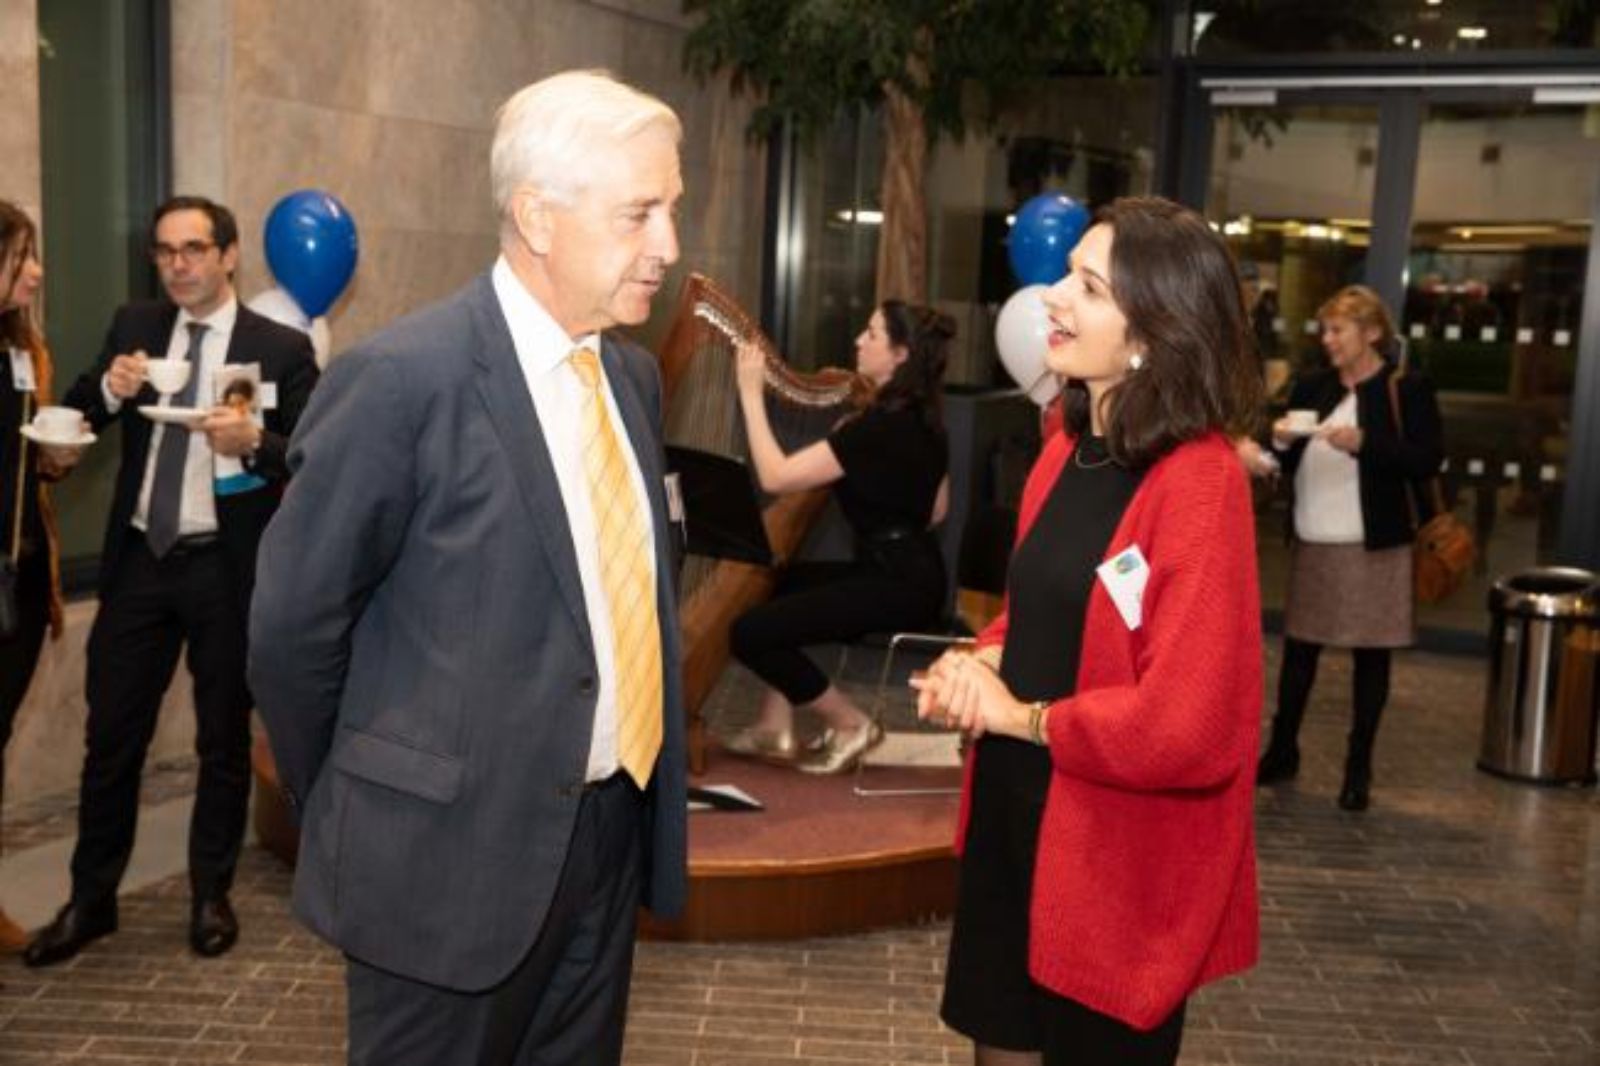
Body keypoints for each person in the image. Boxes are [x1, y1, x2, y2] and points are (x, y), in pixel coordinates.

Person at [248, 70, 688, 1066]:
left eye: (671, 208)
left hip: (605, 843)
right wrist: (367, 802)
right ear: (537, 216)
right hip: (437, 868)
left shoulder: (630, 376)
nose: (667, 244)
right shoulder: (401, 381)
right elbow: (290, 633)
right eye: (639, 213)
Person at [913, 197, 1263, 1065]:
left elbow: (1188, 726)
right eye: (1068, 273)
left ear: (1154, 330)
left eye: (1090, 286)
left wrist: (1019, 717)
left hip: (1113, 856)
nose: (1054, 298)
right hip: (1011, 817)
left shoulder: (1200, 483)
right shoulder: (1064, 448)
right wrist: (977, 662)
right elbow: (1037, 615)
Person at [23, 195, 318, 967]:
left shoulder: (279, 347)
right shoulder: (137, 326)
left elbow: (314, 455)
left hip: (226, 567)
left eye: (193, 249)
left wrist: (255, 441)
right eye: (164, 251)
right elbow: (77, 418)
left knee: (222, 738)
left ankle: (210, 895)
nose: (177, 265)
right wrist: (111, 390)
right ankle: (91, 901)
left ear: (229, 255)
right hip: (140, 563)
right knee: (111, 738)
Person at [723, 301, 953, 774]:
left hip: (894, 583)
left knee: (748, 633)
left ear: (900, 355)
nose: (858, 342)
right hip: (914, 571)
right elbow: (937, 511)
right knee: (778, 585)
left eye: (872, 334)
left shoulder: (873, 428)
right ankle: (773, 725)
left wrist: (750, 393)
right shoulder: (925, 419)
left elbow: (775, 476)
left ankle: (851, 724)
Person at [1257, 284, 1443, 811]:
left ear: (1373, 333)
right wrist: (1279, 441)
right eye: (1325, 330)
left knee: (1371, 659)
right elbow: (1283, 460)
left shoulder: (1406, 389)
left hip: (1375, 546)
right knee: (1299, 654)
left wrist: (1367, 444)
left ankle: (1358, 767)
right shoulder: (1312, 385)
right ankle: (1282, 750)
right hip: (1314, 539)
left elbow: (1427, 459)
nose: (1328, 339)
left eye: (1338, 330)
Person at [0, 201, 84, 951]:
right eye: (21, 257)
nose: (36, 272)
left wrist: (55, 460)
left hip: (21, 580)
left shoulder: (27, 350)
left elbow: (26, 466)